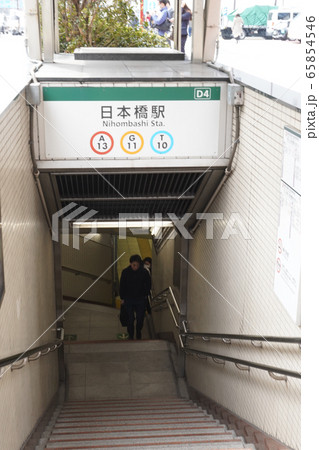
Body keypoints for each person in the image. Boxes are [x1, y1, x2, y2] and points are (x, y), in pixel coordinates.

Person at [120, 254, 151, 340]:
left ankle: (138, 330)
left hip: (140, 299)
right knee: (130, 319)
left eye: (137, 265)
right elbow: (122, 285)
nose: (135, 267)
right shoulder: (125, 272)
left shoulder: (144, 272)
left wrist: (145, 294)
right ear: (130, 264)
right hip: (128, 299)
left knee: (140, 318)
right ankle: (130, 335)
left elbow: (148, 284)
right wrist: (122, 298)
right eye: (134, 265)